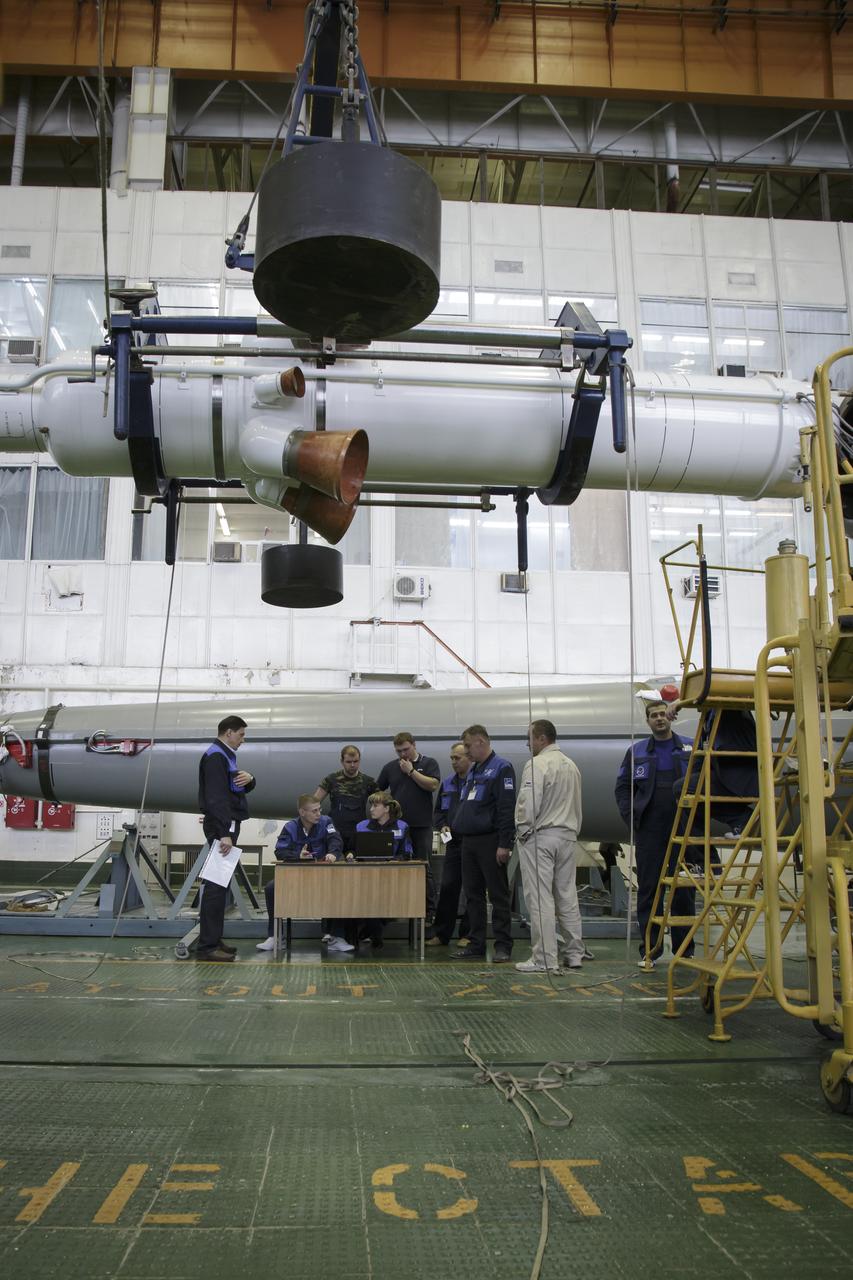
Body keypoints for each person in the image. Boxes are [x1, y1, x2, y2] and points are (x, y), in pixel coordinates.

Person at [615, 699, 694, 967]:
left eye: (662, 714)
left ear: (670, 717)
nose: (659, 718)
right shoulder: (636, 751)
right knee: (650, 889)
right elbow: (622, 787)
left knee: (683, 888)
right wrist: (632, 817)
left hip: (684, 826)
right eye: (653, 715)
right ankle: (650, 950)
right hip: (650, 829)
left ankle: (685, 951)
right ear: (647, 721)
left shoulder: (689, 747)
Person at [514, 719, 584, 974]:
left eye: (530, 738)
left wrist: (522, 830)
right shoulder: (571, 765)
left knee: (540, 898)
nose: (528, 744)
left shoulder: (537, 764)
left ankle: (544, 958)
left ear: (541, 738)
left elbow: (529, 803)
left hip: (541, 837)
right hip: (568, 836)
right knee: (567, 895)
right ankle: (574, 954)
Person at [452, 724, 516, 963]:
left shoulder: (501, 768)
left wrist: (504, 843)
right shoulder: (474, 769)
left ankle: (503, 945)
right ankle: (476, 943)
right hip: (469, 842)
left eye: (468, 745)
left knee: (498, 895)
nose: (466, 750)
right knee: (473, 895)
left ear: (481, 741)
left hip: (490, 841)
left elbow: (506, 808)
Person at [257, 794, 349, 953]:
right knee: (271, 888)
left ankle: (336, 937)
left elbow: (336, 840)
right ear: (302, 812)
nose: (318, 814)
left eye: (319, 810)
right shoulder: (290, 827)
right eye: (314, 811)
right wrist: (297, 855)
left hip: (323, 875)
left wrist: (333, 853)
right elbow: (280, 851)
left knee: (340, 886)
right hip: (296, 876)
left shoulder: (327, 822)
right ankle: (275, 936)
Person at [197, 714, 255, 962]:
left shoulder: (225, 755)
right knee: (215, 885)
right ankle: (207, 946)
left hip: (227, 824)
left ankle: (214, 939)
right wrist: (225, 833)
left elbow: (233, 788)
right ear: (229, 732)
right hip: (223, 826)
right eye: (241, 735)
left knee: (219, 885)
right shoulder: (216, 757)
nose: (243, 740)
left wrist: (251, 780)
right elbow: (216, 798)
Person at [376, 732, 440, 911]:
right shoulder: (390, 767)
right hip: (397, 826)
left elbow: (433, 785)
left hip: (422, 825)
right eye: (399, 751)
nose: (403, 754)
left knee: (423, 866)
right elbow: (377, 790)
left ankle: (429, 910)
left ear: (414, 745)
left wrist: (411, 771)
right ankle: (397, 907)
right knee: (395, 866)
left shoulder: (429, 763)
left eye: (406, 749)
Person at [426, 741, 472, 947]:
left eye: (457, 758)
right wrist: (442, 826)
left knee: (472, 889)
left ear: (469, 758)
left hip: (472, 841)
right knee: (447, 887)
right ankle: (442, 934)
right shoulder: (447, 783)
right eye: (452, 758)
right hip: (452, 843)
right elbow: (438, 812)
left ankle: (468, 935)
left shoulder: (477, 782)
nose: (454, 762)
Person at [354, 791, 414, 948]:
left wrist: (397, 860)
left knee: (390, 896)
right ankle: (374, 933)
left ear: (386, 808)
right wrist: (350, 854)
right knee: (369, 895)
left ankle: (371, 930)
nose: (371, 809)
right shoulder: (361, 826)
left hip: (393, 876)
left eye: (375, 806)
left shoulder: (402, 826)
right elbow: (354, 850)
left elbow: (407, 852)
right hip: (366, 876)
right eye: (371, 806)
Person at [314, 745, 376, 854]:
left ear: (359, 760)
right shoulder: (331, 780)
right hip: (335, 833)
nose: (352, 765)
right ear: (342, 762)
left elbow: (383, 804)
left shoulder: (368, 782)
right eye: (348, 762)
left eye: (355, 761)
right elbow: (313, 803)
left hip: (358, 832)